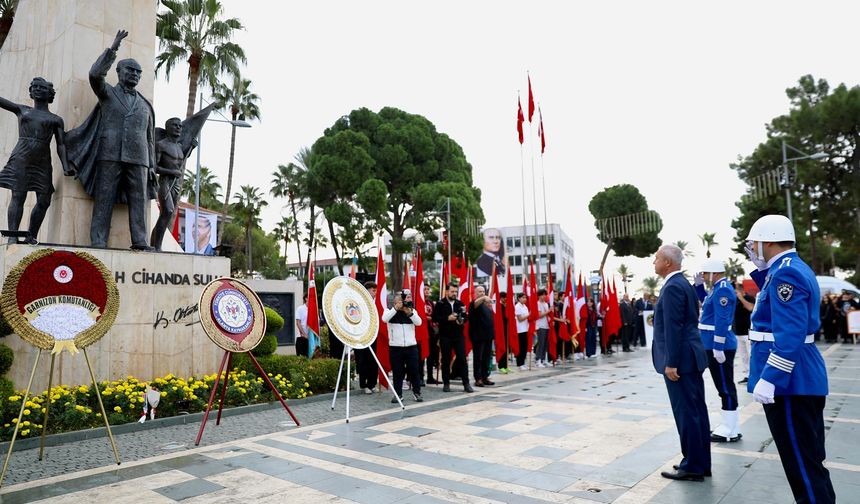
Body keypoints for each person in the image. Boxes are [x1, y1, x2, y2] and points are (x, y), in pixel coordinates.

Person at [745, 214, 835, 503]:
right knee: (808, 464)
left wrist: (770, 378)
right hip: (796, 380)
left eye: (754, 243)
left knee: (803, 467)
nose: (752, 248)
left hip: (790, 384)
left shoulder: (787, 273)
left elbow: (790, 334)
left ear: (768, 240)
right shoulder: (786, 268)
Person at [66, 30, 156, 250]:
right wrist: (113, 48)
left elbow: (150, 138)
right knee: (103, 199)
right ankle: (98, 241)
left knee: (138, 202)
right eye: (130, 70)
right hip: (110, 153)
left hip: (139, 159)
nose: (134, 74)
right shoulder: (107, 93)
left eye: (138, 72)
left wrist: (152, 165)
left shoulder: (145, 105)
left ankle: (140, 241)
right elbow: (95, 75)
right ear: (119, 72)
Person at [651, 244, 710, 482]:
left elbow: (674, 327)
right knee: (696, 412)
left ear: (667, 262)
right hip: (689, 357)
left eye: (656, 258)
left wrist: (671, 363)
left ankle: (693, 465)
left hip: (681, 362)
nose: (653, 262)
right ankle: (699, 462)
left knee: (687, 413)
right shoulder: (681, 283)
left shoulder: (674, 286)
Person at [0, 77, 73, 244]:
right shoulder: (22, 110)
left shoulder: (55, 119)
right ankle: (13, 235)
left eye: (41, 87)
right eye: (34, 87)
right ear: (31, 92)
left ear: (49, 94)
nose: (37, 89)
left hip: (42, 161)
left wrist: (66, 166)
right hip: (22, 157)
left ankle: (31, 235)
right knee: (18, 195)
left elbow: (61, 145)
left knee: (44, 199)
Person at [694, 259, 741, 443]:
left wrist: (718, 347)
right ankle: (730, 426)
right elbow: (707, 304)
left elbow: (722, 320)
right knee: (723, 386)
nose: (703, 276)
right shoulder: (717, 288)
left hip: (717, 346)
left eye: (705, 273)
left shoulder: (723, 290)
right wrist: (698, 287)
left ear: (715, 272)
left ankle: (731, 429)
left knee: (725, 386)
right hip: (711, 344)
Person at [431, 283, 474, 393]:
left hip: (458, 336)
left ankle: (466, 384)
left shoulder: (460, 303)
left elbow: (466, 317)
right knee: (446, 360)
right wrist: (447, 318)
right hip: (445, 336)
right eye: (452, 291)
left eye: (456, 291)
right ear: (447, 292)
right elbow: (434, 318)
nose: (454, 293)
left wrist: (462, 321)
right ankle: (446, 383)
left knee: (462, 359)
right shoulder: (440, 304)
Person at [382, 290, 423, 402]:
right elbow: (384, 319)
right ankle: (398, 394)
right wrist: (396, 308)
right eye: (400, 300)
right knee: (397, 372)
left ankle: (417, 393)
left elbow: (419, 322)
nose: (403, 302)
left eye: (404, 300)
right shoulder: (389, 311)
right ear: (395, 301)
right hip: (396, 348)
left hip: (411, 347)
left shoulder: (411, 311)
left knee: (414, 371)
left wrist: (409, 312)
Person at [354, 282, 378, 394]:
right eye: (373, 290)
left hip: (373, 336)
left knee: (373, 361)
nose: (375, 293)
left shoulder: (376, 304)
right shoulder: (359, 303)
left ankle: (372, 384)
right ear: (367, 290)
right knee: (362, 361)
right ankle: (364, 385)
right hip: (361, 336)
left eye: (376, 290)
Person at [469, 285, 496, 387]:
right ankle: (478, 378)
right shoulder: (474, 304)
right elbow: (475, 304)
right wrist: (483, 298)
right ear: (475, 293)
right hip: (478, 337)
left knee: (487, 358)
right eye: (479, 291)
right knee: (478, 358)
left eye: (483, 291)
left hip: (488, 336)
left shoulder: (486, 306)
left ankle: (485, 377)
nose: (482, 293)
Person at [734, 283, 755, 383]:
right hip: (738, 332)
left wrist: (741, 298)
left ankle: (754, 374)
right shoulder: (734, 300)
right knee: (743, 356)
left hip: (748, 333)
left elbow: (751, 308)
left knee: (751, 354)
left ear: (741, 290)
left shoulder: (749, 298)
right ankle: (747, 375)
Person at [423, 284, 440, 384]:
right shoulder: (419, 301)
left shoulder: (431, 303)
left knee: (431, 355)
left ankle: (430, 377)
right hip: (422, 331)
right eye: (424, 289)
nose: (426, 291)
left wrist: (434, 319)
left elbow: (434, 316)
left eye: (428, 289)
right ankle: (420, 377)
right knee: (421, 356)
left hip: (432, 331)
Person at [534, 289, 551, 367]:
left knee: (545, 344)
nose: (544, 296)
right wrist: (548, 311)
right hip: (540, 326)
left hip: (546, 325)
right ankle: (538, 360)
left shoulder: (546, 304)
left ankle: (543, 359)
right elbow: (539, 315)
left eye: (545, 295)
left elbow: (547, 315)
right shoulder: (537, 304)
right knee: (540, 343)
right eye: (543, 295)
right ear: (539, 295)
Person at [514, 292, 530, 369]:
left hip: (525, 329)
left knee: (524, 347)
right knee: (520, 347)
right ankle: (519, 363)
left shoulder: (525, 307)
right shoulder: (517, 307)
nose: (524, 299)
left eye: (525, 297)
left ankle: (523, 362)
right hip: (520, 330)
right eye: (523, 297)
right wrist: (529, 315)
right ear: (519, 298)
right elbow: (520, 319)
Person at [496, 291, 510, 373]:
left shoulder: (505, 305)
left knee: (507, 347)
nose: (506, 299)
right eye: (504, 297)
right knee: (502, 346)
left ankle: (506, 365)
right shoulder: (499, 306)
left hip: (506, 328)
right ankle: (501, 366)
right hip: (501, 329)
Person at [295, 294, 309, 358]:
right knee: (301, 359)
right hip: (301, 338)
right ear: (306, 298)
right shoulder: (300, 309)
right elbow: (298, 323)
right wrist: (304, 334)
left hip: (311, 339)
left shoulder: (314, 310)